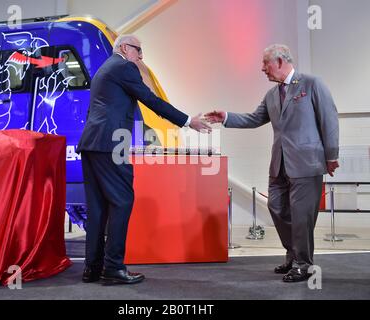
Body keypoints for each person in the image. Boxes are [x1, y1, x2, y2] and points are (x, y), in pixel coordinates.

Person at [76, 34, 210, 285]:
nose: (141, 56)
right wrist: (188, 121)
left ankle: (92, 268)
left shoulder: (105, 68)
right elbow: (150, 99)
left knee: (97, 208)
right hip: (110, 144)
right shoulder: (124, 66)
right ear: (125, 48)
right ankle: (114, 268)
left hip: (92, 143)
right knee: (122, 202)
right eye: (139, 50)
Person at [205, 44, 339, 282]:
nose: (262, 68)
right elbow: (254, 119)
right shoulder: (271, 95)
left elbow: (329, 119)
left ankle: (303, 263)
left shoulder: (311, 84)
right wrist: (225, 117)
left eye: (265, 63)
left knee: (301, 216)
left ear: (279, 61)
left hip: (307, 163)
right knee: (276, 207)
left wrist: (331, 155)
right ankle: (294, 254)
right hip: (279, 164)